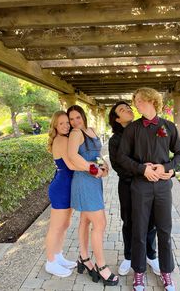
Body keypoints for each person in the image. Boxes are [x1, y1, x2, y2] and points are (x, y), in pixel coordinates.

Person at [118, 87, 180, 291]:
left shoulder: (168, 126)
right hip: (140, 187)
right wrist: (142, 169)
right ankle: (138, 273)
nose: (136, 104)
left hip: (163, 187)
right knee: (138, 230)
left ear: (151, 101)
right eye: (135, 101)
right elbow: (122, 157)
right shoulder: (132, 129)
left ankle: (166, 273)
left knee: (164, 230)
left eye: (139, 100)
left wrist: (168, 168)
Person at [67, 105, 119, 287]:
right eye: (71, 119)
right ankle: (101, 266)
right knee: (100, 223)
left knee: (85, 221)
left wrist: (104, 166)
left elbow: (96, 154)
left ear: (83, 116)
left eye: (77, 118)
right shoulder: (75, 134)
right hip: (83, 180)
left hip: (93, 181)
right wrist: (93, 168)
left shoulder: (91, 131)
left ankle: (83, 257)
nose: (74, 122)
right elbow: (72, 155)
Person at [108, 101, 160, 276]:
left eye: (128, 107)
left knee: (151, 220)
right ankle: (129, 256)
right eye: (122, 110)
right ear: (117, 119)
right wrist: (140, 172)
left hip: (148, 184)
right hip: (128, 185)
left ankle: (150, 255)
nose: (128, 110)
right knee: (129, 221)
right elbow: (117, 165)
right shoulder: (115, 139)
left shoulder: (142, 128)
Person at [45, 111, 77, 277]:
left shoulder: (64, 138)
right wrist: (92, 167)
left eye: (67, 122)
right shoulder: (62, 139)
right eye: (61, 123)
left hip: (66, 186)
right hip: (61, 188)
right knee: (56, 227)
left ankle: (58, 256)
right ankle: (50, 262)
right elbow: (71, 165)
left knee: (65, 225)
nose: (66, 126)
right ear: (55, 126)